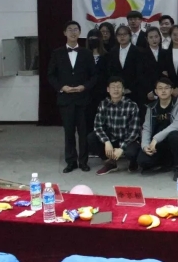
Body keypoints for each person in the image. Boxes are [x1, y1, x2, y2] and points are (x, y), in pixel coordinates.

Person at [48, 20, 97, 173]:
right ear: (64, 33)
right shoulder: (57, 53)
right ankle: (71, 161)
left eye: (76, 29)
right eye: (70, 29)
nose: (73, 32)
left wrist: (85, 86)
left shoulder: (86, 53)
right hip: (66, 99)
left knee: (83, 132)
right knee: (68, 132)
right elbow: (51, 75)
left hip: (83, 99)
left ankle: (83, 161)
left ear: (80, 32)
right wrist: (62, 87)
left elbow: (94, 75)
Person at [138, 77, 178, 180]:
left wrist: (156, 138)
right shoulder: (151, 107)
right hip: (157, 145)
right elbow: (146, 128)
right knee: (142, 161)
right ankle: (165, 163)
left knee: (175, 135)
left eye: (166, 88)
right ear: (156, 91)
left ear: (171, 90)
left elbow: (177, 125)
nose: (163, 91)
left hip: (174, 142)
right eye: (160, 88)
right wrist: (145, 146)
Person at [90, 76, 141, 176]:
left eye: (118, 87)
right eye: (113, 87)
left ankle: (133, 162)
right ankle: (111, 163)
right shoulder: (103, 104)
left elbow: (134, 131)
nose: (116, 89)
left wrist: (122, 148)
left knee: (132, 152)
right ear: (108, 89)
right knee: (91, 138)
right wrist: (106, 142)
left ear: (123, 90)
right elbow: (98, 126)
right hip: (112, 138)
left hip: (128, 139)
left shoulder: (132, 105)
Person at [108, 25, 144, 109]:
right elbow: (110, 71)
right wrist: (117, 88)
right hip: (116, 91)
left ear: (130, 36)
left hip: (134, 91)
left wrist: (130, 88)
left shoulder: (138, 51)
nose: (122, 37)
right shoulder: (112, 51)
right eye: (119, 35)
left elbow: (140, 73)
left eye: (124, 34)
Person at [84, 28, 109, 149]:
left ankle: (102, 146)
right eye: (91, 38)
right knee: (88, 121)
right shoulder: (83, 55)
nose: (93, 40)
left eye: (96, 38)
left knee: (102, 121)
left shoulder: (107, 56)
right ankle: (89, 147)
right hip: (87, 94)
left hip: (102, 94)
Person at [142, 26, 163, 102]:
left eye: (156, 37)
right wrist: (149, 90)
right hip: (148, 92)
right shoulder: (141, 54)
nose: (154, 39)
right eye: (151, 37)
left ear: (160, 37)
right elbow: (141, 74)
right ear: (147, 39)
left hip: (164, 89)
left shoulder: (166, 53)